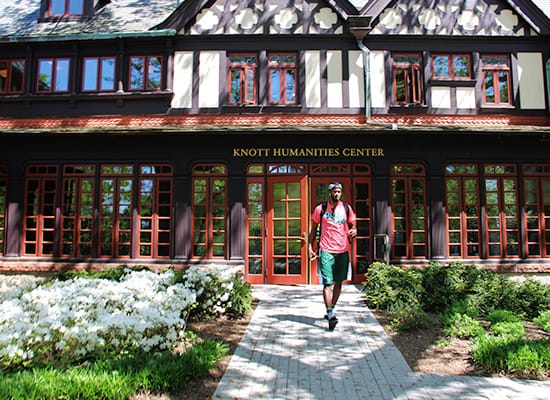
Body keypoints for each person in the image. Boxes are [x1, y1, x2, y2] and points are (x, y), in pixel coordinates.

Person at [308, 182, 357, 330]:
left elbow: (353, 225)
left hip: (343, 250)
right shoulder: (320, 209)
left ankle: (331, 308)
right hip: (326, 250)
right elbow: (313, 230)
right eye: (334, 192)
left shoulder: (347, 209)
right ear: (329, 193)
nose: (337, 194)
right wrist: (310, 247)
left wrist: (354, 230)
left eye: (339, 192)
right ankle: (330, 315)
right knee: (328, 283)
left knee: (338, 282)